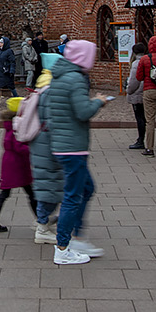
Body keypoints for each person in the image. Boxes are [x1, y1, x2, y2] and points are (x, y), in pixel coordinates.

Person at [43, 39, 113, 264]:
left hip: (63, 145)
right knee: (74, 196)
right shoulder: (75, 78)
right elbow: (83, 112)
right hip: (72, 148)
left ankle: (75, 237)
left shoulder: (60, 75)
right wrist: (99, 102)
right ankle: (63, 247)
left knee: (86, 189)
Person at [0, 97, 39, 233]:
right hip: (17, 165)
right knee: (28, 193)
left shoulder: (10, 125)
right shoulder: (16, 127)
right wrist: (33, 151)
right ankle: (41, 220)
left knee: (10, 192)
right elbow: (18, 146)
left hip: (11, 164)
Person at [125, 42, 148, 150]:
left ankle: (141, 140)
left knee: (140, 118)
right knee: (145, 117)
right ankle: (147, 139)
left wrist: (128, 90)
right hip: (146, 92)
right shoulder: (148, 60)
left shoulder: (136, 63)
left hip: (137, 93)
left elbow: (134, 81)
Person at [0, 36, 17, 107]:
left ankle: (17, 98)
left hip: (6, 72)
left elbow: (12, 62)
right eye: (0, 43)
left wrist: (11, 71)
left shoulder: (9, 51)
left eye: (2, 43)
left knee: (11, 87)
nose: (0, 44)